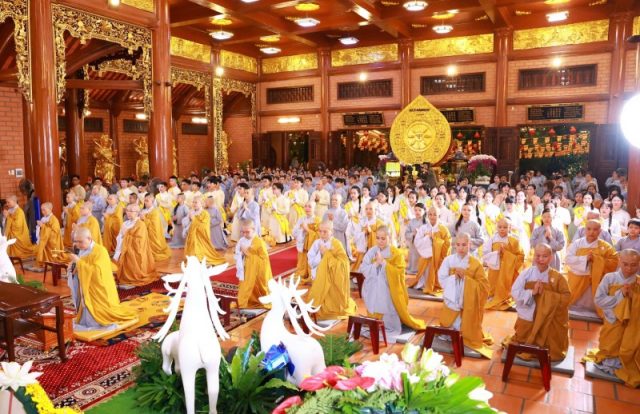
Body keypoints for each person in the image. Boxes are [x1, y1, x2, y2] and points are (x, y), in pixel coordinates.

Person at [583, 249, 640, 387]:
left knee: (627, 345)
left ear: (639, 264)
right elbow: (599, 300)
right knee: (610, 343)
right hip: (612, 319)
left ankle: (623, 361)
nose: (629, 268)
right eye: (625, 264)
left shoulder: (638, 282)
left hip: (631, 323)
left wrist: (634, 296)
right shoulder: (609, 278)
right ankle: (610, 360)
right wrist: (620, 295)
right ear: (619, 261)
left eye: (633, 265)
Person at [360, 226, 426, 341]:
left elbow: (399, 272)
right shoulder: (372, 251)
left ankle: (388, 323)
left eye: (383, 238)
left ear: (389, 238)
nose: (380, 241)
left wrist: (384, 263)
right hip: (372, 286)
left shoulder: (396, 253)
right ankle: (375, 321)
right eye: (378, 238)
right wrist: (376, 264)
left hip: (389, 288)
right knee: (374, 295)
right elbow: (363, 268)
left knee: (384, 296)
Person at [506, 244, 570, 361]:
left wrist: (546, 295)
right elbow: (515, 291)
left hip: (549, 317)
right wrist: (532, 292)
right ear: (533, 256)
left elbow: (567, 297)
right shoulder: (526, 273)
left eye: (544, 256)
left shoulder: (558, 277)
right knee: (520, 339)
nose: (540, 259)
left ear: (551, 258)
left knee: (553, 343)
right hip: (529, 314)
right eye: (537, 255)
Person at [67, 228, 137, 331]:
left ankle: (96, 321)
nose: (77, 244)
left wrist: (79, 262)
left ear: (89, 239)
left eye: (80, 242)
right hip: (87, 287)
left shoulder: (100, 251)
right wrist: (72, 267)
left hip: (99, 288)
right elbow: (82, 266)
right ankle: (84, 320)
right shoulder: (82, 250)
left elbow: (96, 272)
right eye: (76, 241)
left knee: (102, 313)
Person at [438, 233, 493, 358]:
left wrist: (466, 279)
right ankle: (449, 332)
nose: (461, 248)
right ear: (455, 245)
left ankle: (464, 333)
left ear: (469, 245)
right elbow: (441, 278)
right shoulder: (449, 260)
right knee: (450, 323)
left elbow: (484, 287)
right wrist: (454, 278)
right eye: (458, 245)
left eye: (464, 245)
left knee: (464, 326)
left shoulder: (475, 263)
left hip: (467, 302)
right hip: (451, 299)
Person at [566, 220, 619, 318]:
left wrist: (597, 260)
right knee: (572, 302)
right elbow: (568, 259)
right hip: (578, 278)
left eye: (595, 229)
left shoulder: (605, 246)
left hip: (596, 280)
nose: (591, 232)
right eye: (589, 229)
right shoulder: (577, 243)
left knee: (596, 301)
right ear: (584, 230)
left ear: (600, 231)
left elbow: (614, 262)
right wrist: (585, 259)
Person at [306, 221, 357, 320]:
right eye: (320, 231)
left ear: (331, 231)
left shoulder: (337, 244)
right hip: (319, 275)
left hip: (333, 277)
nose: (322, 234)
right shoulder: (316, 243)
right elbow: (311, 261)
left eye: (325, 231)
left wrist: (327, 254)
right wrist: (321, 255)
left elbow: (344, 263)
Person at [483, 218, 525, 310]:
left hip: (507, 269)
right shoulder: (492, 239)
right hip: (494, 266)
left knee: (505, 283)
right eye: (500, 227)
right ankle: (492, 296)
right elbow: (485, 253)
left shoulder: (513, 240)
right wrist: (496, 254)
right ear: (496, 227)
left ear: (509, 228)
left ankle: (505, 298)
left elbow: (520, 256)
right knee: (493, 282)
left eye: (505, 227)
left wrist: (506, 254)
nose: (502, 229)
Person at [409, 206, 451, 295]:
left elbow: (448, 244)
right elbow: (417, 241)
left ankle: (433, 284)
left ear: (439, 215)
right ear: (427, 215)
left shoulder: (443, 229)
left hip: (437, 257)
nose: (432, 217)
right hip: (425, 256)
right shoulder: (423, 228)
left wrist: (434, 239)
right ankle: (423, 284)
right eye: (430, 214)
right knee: (424, 272)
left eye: (435, 214)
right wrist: (427, 238)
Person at [114, 203, 158, 286]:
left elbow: (140, 242)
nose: (128, 213)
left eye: (131, 211)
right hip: (125, 249)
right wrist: (123, 236)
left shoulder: (141, 225)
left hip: (135, 252)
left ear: (137, 212)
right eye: (127, 210)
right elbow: (119, 237)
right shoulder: (125, 223)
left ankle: (135, 275)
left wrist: (126, 234)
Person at [234, 219, 272, 309]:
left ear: (253, 230)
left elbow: (264, 258)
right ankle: (246, 301)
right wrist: (242, 253)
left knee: (260, 286)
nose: (244, 234)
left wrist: (248, 253)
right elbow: (237, 253)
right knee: (245, 286)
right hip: (246, 269)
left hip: (258, 270)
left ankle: (262, 300)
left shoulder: (259, 242)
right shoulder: (241, 240)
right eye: (243, 232)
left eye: (247, 232)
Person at [184, 197, 226, 265]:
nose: (194, 204)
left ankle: (199, 259)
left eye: (196, 202)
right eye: (193, 202)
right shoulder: (191, 212)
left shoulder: (205, 213)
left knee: (199, 250)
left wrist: (194, 219)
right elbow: (187, 223)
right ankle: (193, 259)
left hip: (201, 237)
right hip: (192, 235)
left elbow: (204, 227)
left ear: (201, 203)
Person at [352, 202, 384, 270]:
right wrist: (364, 233)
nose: (368, 211)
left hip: (374, 251)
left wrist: (371, 232)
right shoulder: (362, 222)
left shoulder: (379, 223)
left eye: (371, 209)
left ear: (375, 210)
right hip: (363, 250)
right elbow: (356, 235)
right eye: (366, 209)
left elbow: (382, 238)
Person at [293, 202, 320, 281]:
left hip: (312, 244)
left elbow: (318, 236)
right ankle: (303, 272)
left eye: (310, 207)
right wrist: (301, 230)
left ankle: (312, 274)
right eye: (305, 206)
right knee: (302, 259)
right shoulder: (301, 218)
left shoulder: (317, 220)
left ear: (314, 208)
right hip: (303, 243)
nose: (307, 208)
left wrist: (307, 230)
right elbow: (294, 232)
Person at [140, 194, 172, 262]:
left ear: (152, 201)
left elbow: (154, 224)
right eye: (145, 200)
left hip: (153, 234)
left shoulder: (155, 211)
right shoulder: (143, 210)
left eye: (147, 201)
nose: (145, 202)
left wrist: (144, 218)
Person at [35, 202, 67, 267]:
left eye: (44, 210)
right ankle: (44, 259)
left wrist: (43, 226)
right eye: (42, 210)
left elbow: (55, 233)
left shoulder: (54, 220)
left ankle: (50, 259)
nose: (43, 212)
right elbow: (43, 230)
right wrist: (40, 227)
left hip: (53, 242)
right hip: (45, 239)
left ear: (50, 209)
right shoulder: (43, 218)